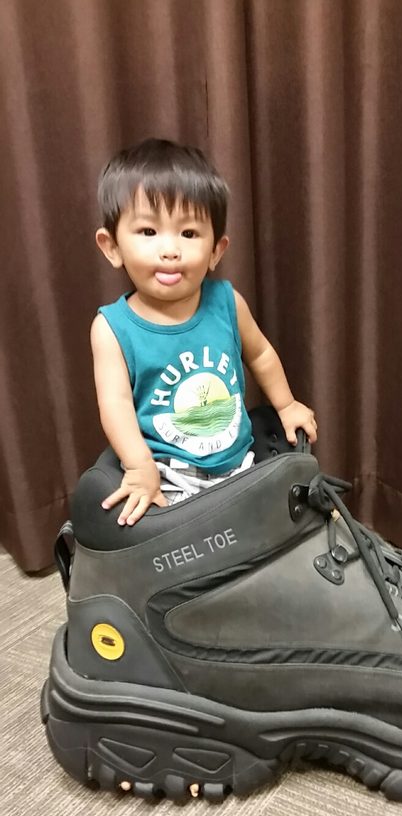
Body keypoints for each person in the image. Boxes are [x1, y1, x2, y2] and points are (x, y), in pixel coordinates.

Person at [92, 137, 317, 525]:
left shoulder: (227, 302)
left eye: (189, 234)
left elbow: (260, 353)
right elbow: (116, 405)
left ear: (216, 250)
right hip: (168, 473)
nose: (170, 250)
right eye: (148, 231)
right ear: (112, 247)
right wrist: (140, 467)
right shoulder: (111, 328)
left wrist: (286, 405)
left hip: (240, 460)